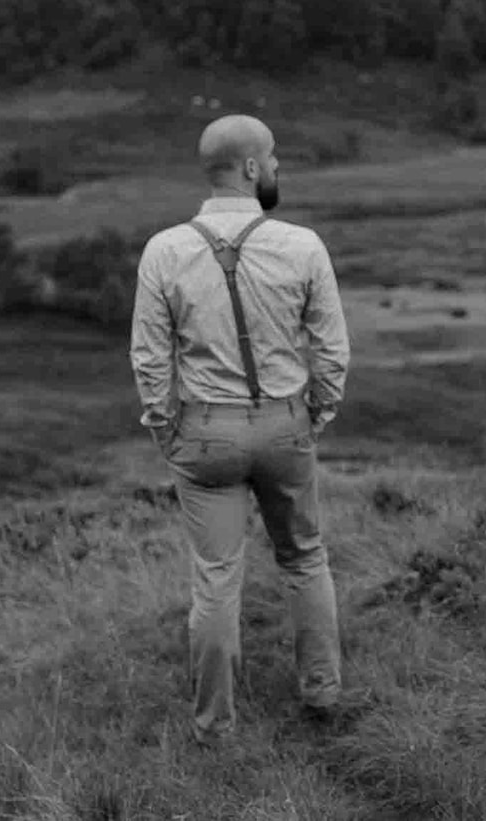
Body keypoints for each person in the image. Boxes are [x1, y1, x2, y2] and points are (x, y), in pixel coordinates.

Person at [130, 113, 351, 745]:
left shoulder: (164, 250)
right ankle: (322, 694)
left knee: (216, 578)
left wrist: (165, 428)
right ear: (251, 168)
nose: (279, 167)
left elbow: (149, 356)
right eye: (274, 157)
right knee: (305, 558)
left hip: (202, 433)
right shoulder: (303, 245)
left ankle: (214, 728)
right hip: (285, 427)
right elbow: (331, 349)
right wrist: (317, 413)